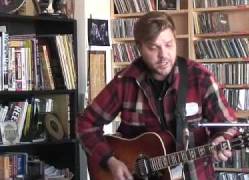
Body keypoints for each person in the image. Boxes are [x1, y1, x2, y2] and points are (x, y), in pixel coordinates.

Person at [77, 11, 238, 180]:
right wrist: (110, 160)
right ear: (139, 48)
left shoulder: (200, 78)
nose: (163, 55)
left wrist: (222, 139)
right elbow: (86, 124)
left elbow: (228, 124)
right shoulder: (124, 82)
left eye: (169, 45)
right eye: (153, 47)